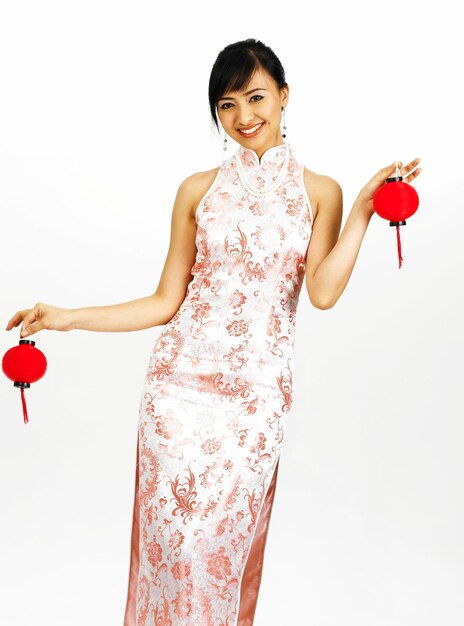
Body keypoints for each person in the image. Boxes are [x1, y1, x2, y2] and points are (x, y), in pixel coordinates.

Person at [5, 38, 421, 626]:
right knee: (173, 550)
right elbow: (164, 300)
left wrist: (361, 211)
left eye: (255, 97)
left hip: (254, 405)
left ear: (283, 95)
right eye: (227, 105)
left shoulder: (318, 192)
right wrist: (67, 317)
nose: (244, 117)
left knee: (217, 552)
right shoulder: (197, 190)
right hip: (177, 393)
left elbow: (323, 293)